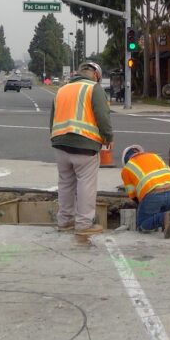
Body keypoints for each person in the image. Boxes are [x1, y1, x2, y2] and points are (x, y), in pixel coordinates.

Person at [50, 61, 113, 235]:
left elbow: (52, 118)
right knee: (86, 183)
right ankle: (84, 224)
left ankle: (64, 221)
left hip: (60, 143)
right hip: (85, 146)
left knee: (65, 183)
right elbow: (103, 115)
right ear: (96, 75)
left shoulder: (62, 90)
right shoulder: (94, 88)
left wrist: (55, 139)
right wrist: (108, 137)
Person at [120, 145, 170, 238]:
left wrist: (142, 206)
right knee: (162, 213)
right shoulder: (155, 156)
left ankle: (164, 218)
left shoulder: (126, 169)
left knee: (143, 225)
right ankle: (167, 221)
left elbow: (133, 196)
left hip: (154, 194)